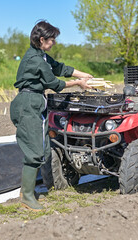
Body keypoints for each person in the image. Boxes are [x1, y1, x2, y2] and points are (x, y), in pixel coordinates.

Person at [10, 20, 93, 211]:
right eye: (52, 39)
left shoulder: (42, 57)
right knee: (35, 151)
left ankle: (26, 192)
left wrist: (83, 75)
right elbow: (54, 84)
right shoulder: (35, 60)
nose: (54, 42)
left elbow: (60, 68)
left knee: (41, 147)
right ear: (42, 39)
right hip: (29, 103)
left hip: (36, 102)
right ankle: (28, 197)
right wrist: (79, 84)